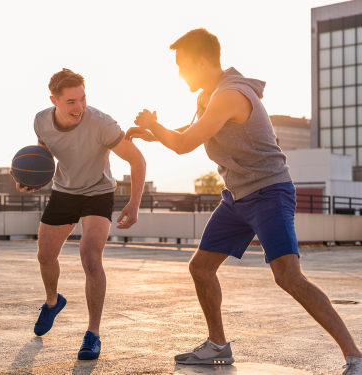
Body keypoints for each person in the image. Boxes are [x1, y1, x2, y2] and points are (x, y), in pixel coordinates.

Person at [126, 29, 362, 373]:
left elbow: (184, 144)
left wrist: (156, 127)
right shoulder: (210, 96)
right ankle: (218, 346)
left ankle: (354, 355)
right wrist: (155, 132)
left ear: (203, 62)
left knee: (288, 277)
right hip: (237, 196)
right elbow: (196, 130)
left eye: (183, 66)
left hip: (268, 192)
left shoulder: (230, 95)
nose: (179, 74)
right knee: (201, 268)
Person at [11, 68, 146, 360]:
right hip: (64, 191)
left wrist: (134, 203)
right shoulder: (41, 121)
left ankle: (93, 334)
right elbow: (43, 154)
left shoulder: (102, 124)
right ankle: (52, 302)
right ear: (54, 100)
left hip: (98, 192)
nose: (79, 107)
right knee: (45, 255)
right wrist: (32, 179)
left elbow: (137, 159)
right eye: (71, 101)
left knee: (90, 257)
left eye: (83, 99)